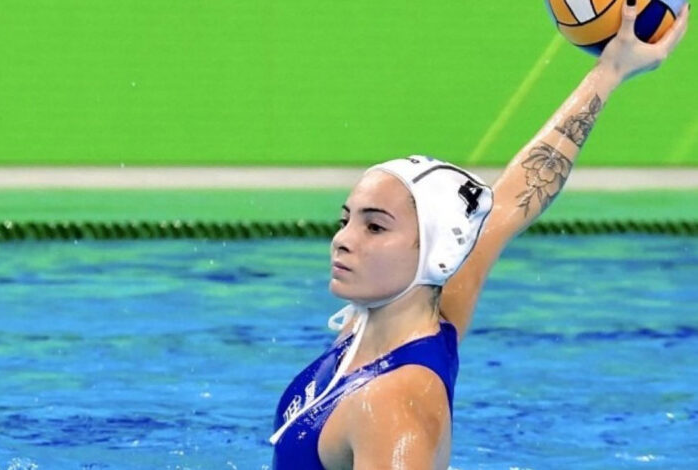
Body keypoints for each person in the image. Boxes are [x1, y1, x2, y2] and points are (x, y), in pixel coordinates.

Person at [270, 1, 690, 469]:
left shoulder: (392, 403)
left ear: (435, 253)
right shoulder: (399, 324)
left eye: (375, 226)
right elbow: (517, 195)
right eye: (345, 220)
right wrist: (610, 71)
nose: (344, 240)